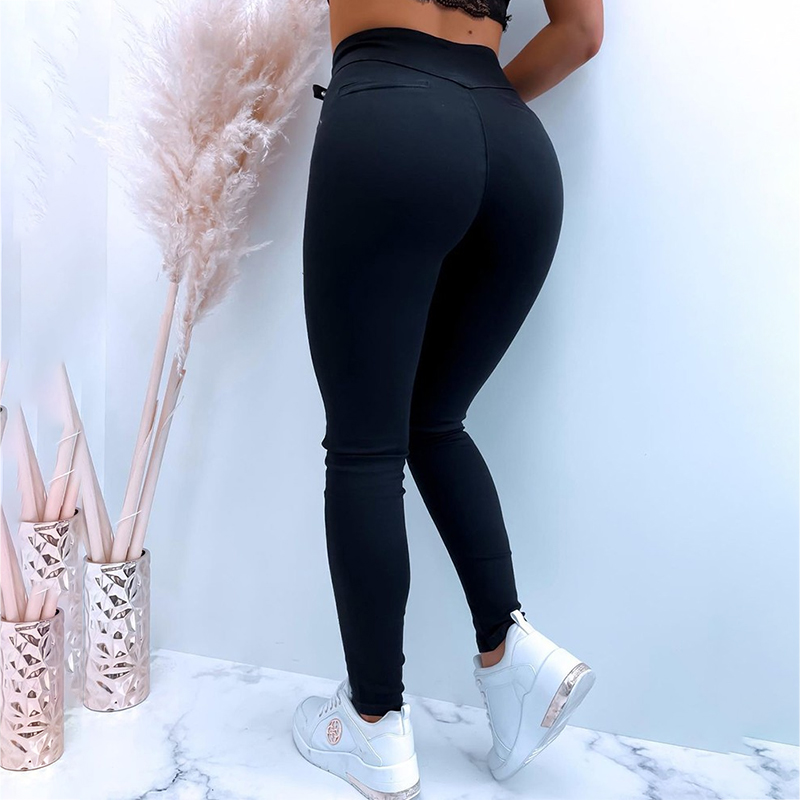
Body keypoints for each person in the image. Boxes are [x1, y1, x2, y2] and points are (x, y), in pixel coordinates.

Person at [293, 1, 603, 797]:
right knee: (433, 417)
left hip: (387, 117)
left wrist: (420, 109)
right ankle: (509, 650)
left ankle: (371, 722)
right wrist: (471, 105)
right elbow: (581, 33)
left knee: (365, 446)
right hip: (513, 146)